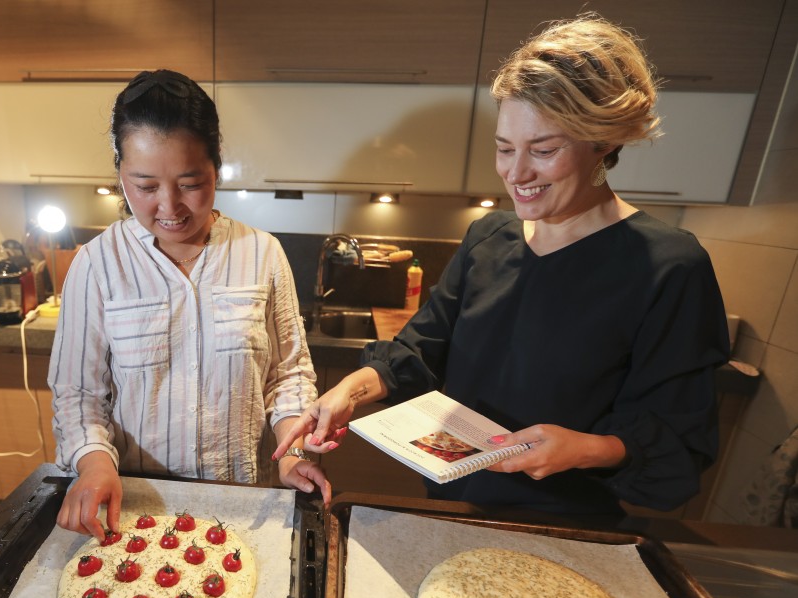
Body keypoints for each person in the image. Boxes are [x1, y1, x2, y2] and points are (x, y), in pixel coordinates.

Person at [275, 15, 730, 517]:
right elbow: (420, 352)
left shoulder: (668, 267)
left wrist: (585, 448)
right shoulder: (489, 239)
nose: (516, 174)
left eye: (544, 150)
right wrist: (347, 392)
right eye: (505, 148)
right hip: (453, 505)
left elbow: (679, 441)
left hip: (565, 521)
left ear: (603, 141)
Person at [50, 70, 334, 541]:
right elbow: (78, 395)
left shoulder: (261, 254)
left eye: (189, 182)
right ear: (120, 172)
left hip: (246, 505)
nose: (169, 206)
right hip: (138, 506)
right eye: (145, 186)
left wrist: (292, 452)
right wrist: (94, 462)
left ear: (216, 168)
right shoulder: (97, 265)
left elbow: (287, 375)